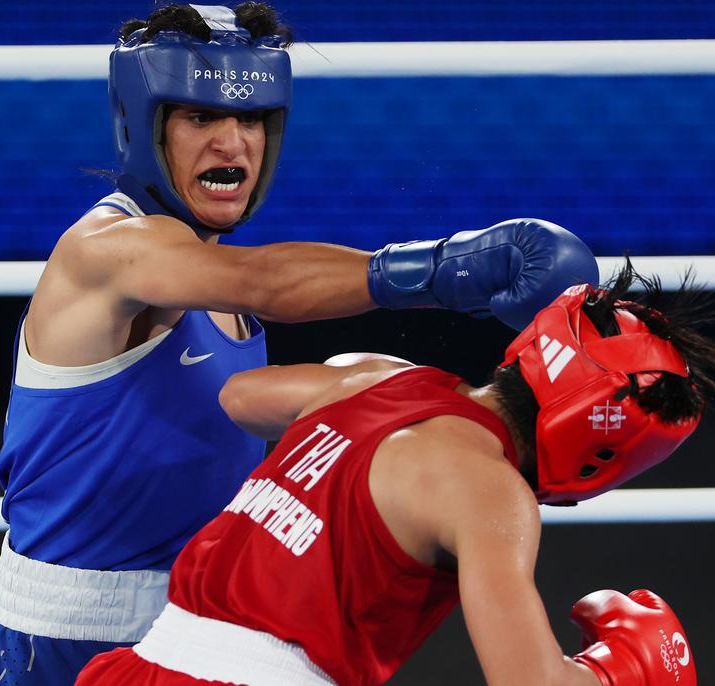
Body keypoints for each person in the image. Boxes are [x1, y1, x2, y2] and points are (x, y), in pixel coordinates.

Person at [0, 1, 599, 685]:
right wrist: (444, 268)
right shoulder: (108, 250)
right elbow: (264, 280)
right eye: (201, 117)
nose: (232, 143)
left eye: (252, 119)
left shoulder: (220, 288)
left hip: (194, 644)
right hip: (59, 640)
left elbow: (243, 406)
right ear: (146, 126)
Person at [76, 262, 710, 686]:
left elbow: (241, 395)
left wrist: (346, 427)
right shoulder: (492, 492)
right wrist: (620, 671)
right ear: (602, 450)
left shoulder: (377, 373)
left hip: (138, 665)